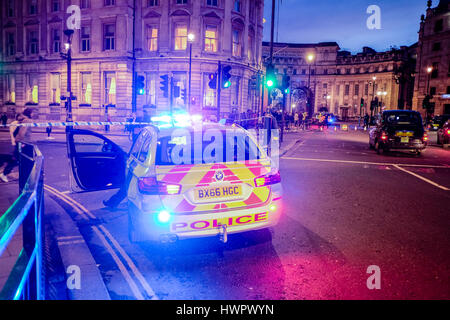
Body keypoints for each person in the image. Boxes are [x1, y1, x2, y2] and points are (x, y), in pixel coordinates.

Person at [0, 109, 33, 183]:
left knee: (20, 159)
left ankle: (24, 175)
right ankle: (4, 173)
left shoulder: (23, 120)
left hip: (22, 142)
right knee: (18, 159)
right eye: (32, 113)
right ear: (29, 113)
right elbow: (22, 132)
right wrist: (21, 142)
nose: (33, 114)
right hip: (24, 143)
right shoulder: (27, 121)